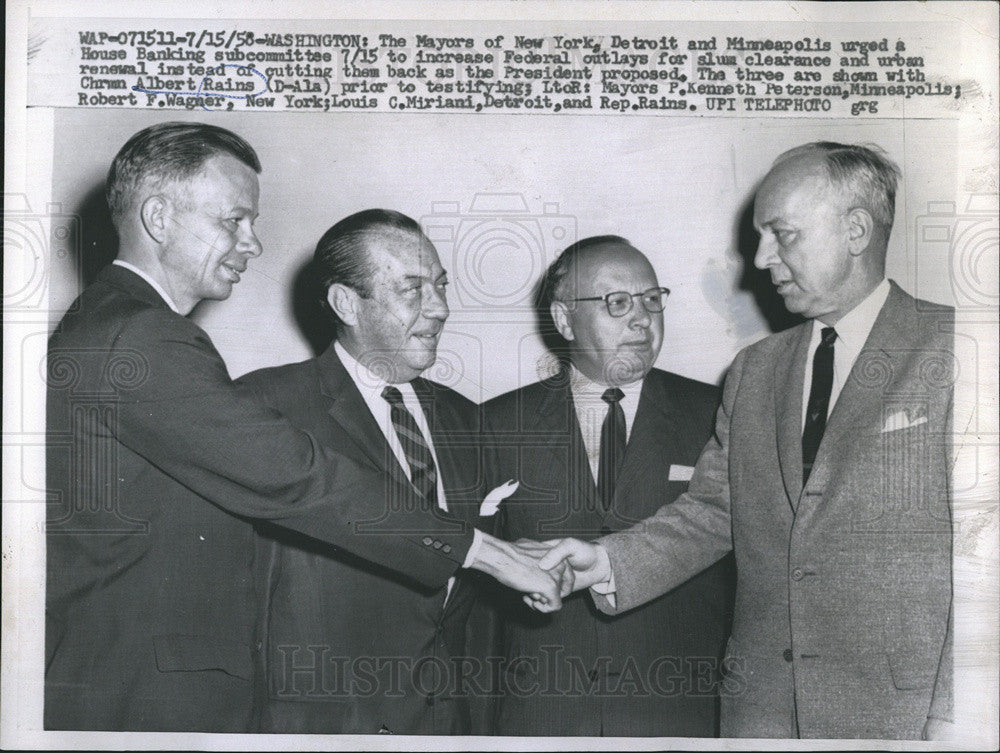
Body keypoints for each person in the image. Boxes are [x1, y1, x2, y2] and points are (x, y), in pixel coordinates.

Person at [45, 122, 559, 732]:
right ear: (158, 217)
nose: (253, 244)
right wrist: (482, 551)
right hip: (147, 694)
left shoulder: (117, 321)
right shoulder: (141, 334)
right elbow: (297, 478)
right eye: (233, 220)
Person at [537, 142, 955, 740]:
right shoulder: (756, 369)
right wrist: (604, 562)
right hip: (759, 716)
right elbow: (713, 512)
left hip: (901, 719)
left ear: (857, 230)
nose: (761, 258)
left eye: (782, 235)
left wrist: (960, 716)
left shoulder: (959, 348)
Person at [239, 209, 502, 734]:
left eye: (442, 286)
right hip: (322, 729)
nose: (441, 308)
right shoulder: (265, 406)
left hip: (448, 725)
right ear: (345, 303)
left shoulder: (467, 419)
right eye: (413, 289)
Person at [481, 236, 734, 736]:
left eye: (651, 300)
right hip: (542, 715)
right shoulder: (494, 424)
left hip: (682, 714)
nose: (642, 319)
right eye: (618, 303)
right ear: (563, 318)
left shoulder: (720, 413)